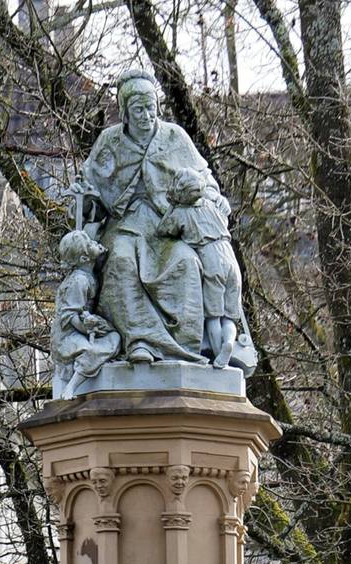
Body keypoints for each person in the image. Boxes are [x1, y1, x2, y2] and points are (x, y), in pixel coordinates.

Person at [75, 70, 220, 364]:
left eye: (150, 108)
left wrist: (208, 195)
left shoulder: (174, 137)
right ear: (126, 113)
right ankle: (139, 341)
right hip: (124, 225)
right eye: (138, 110)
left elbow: (205, 180)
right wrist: (87, 200)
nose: (146, 116)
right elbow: (92, 195)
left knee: (186, 262)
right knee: (121, 261)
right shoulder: (109, 142)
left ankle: (186, 349)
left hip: (168, 227)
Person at [156, 167, 242, 368]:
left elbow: (162, 230)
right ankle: (229, 342)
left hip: (212, 261)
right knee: (230, 316)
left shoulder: (181, 214)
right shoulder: (213, 207)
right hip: (230, 258)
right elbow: (225, 213)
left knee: (213, 316)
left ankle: (220, 356)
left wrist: (172, 206)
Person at [52, 230, 120, 399]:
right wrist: (86, 326)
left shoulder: (88, 273)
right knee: (97, 348)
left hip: (83, 324)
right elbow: (69, 316)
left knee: (113, 338)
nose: (95, 243)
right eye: (90, 244)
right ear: (84, 259)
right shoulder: (79, 281)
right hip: (68, 334)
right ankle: (71, 387)